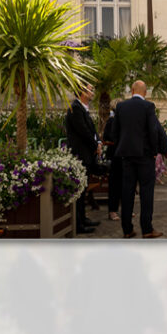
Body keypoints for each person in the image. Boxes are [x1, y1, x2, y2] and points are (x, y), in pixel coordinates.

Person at [111, 79, 165, 238]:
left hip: (127, 156)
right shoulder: (148, 106)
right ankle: (147, 229)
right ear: (145, 93)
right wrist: (155, 152)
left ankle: (127, 229)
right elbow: (153, 131)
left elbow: (114, 132)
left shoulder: (121, 106)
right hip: (145, 155)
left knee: (127, 192)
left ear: (132, 91)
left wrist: (121, 146)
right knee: (146, 193)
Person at [64, 82, 102, 234]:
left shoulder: (83, 109)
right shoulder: (75, 108)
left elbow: (92, 130)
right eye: (90, 89)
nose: (92, 91)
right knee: (80, 190)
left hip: (87, 154)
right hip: (80, 154)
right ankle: (79, 224)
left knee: (84, 189)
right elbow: (84, 132)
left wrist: (98, 141)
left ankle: (83, 218)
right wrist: (95, 146)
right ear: (82, 92)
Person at [101, 105, 122, 221]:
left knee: (125, 183)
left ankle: (125, 209)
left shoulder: (124, 120)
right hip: (114, 155)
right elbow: (106, 137)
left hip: (123, 154)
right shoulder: (111, 121)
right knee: (114, 184)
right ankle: (112, 211)